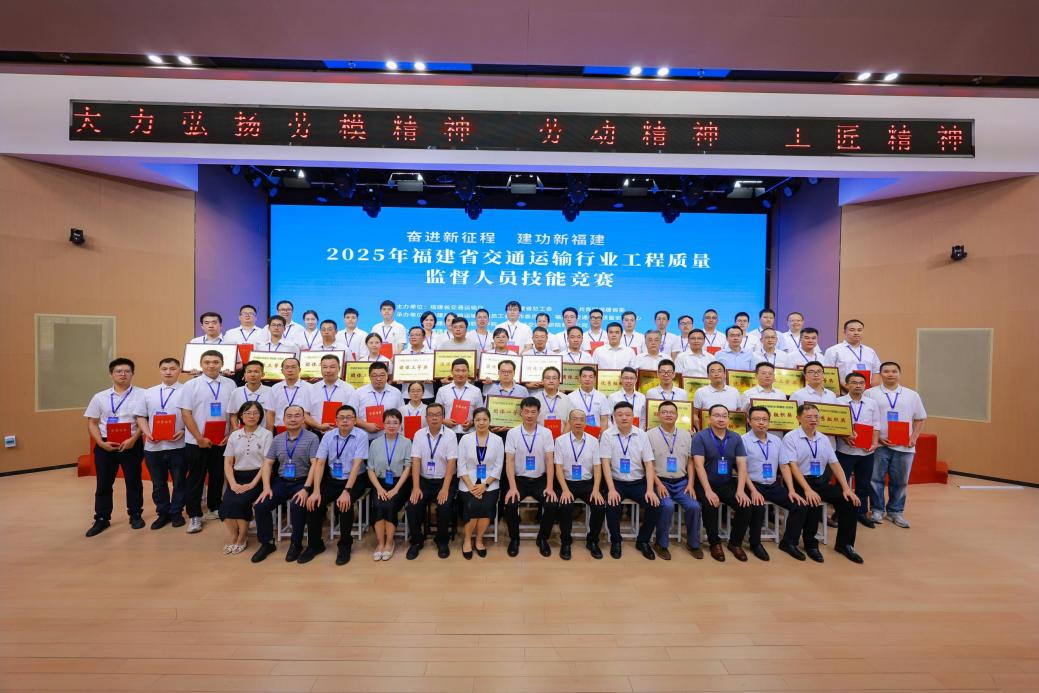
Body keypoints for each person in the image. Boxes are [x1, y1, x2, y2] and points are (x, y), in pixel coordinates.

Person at [782, 403, 864, 563]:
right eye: (808, 417)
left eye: (816, 416)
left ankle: (845, 544)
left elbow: (835, 464)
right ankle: (809, 544)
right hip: (800, 481)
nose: (813, 420)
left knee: (849, 501)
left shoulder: (823, 439)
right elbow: (793, 466)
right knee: (812, 501)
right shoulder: (790, 437)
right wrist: (807, 489)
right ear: (798, 418)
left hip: (819, 481)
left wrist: (847, 488)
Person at [83, 357, 146, 537]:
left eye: (127, 371)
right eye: (118, 371)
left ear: (133, 374)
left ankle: (135, 514)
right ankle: (102, 518)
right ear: (111, 374)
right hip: (105, 444)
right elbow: (92, 422)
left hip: (131, 443)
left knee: (133, 481)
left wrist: (134, 439)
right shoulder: (99, 397)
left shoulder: (143, 394)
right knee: (103, 483)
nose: (123, 374)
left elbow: (144, 420)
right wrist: (100, 443)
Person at [250, 405, 321, 563]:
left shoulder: (312, 438)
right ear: (283, 419)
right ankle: (267, 543)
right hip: (282, 482)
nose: (293, 419)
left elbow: (315, 464)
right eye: (289, 416)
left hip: (303, 482)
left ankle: (296, 544)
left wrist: (306, 488)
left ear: (303, 419)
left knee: (297, 505)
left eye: (297, 416)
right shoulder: (277, 439)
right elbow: (268, 463)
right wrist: (266, 488)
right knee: (260, 506)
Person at [302, 404, 371, 565]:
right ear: (336, 420)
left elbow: (356, 465)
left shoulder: (361, 435)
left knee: (345, 504)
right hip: (333, 479)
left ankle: (345, 545)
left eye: (349, 418)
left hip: (355, 479)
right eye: (341, 418)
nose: (345, 421)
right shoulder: (328, 436)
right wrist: (316, 490)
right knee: (314, 502)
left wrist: (347, 491)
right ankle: (315, 545)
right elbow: (320, 463)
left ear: (355, 420)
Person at [741, 406, 810, 561]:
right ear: (749, 421)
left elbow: (784, 466)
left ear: (769, 422)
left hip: (772, 485)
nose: (761, 423)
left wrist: (791, 490)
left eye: (764, 419)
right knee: (757, 506)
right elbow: (741, 469)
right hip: (751, 484)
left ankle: (789, 543)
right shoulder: (743, 440)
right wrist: (753, 491)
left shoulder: (777, 440)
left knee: (799, 505)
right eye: (757, 419)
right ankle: (755, 543)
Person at [864, 361, 927, 528]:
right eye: (886, 371)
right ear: (880, 374)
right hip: (879, 445)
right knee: (875, 479)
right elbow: (865, 418)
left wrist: (913, 437)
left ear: (899, 374)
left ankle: (896, 512)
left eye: (894, 371)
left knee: (900, 481)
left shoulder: (912, 395)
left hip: (905, 446)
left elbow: (920, 418)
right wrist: (876, 438)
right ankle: (877, 510)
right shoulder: (870, 393)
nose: (890, 374)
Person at [179, 350, 235, 533]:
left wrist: (231, 433)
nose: (211, 365)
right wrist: (199, 438)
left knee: (218, 476)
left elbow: (233, 412)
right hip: (197, 441)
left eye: (216, 362)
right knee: (196, 478)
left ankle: (214, 507)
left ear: (222, 364)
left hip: (222, 440)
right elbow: (186, 413)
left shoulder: (230, 383)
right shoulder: (191, 385)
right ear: (201, 364)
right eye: (207, 362)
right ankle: (194, 514)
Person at [691, 404, 752, 561]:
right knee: (710, 504)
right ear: (709, 418)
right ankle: (715, 543)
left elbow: (742, 465)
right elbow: (698, 466)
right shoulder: (700, 437)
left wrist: (740, 490)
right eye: (717, 415)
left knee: (745, 505)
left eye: (724, 416)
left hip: (726, 483)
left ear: (728, 419)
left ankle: (735, 543)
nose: (721, 419)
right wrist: (708, 491)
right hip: (705, 483)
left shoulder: (736, 438)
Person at [600, 401, 659, 560]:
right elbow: (605, 463)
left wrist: (650, 489)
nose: (624, 418)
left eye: (627, 415)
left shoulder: (642, 435)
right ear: (614, 417)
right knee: (612, 504)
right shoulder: (607, 435)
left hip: (638, 481)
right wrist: (611, 489)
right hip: (616, 481)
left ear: (633, 417)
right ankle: (616, 541)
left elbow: (648, 463)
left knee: (654, 504)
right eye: (620, 415)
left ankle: (643, 541)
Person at [134, 357, 187, 530]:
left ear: (179, 370)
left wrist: (183, 431)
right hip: (153, 447)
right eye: (164, 369)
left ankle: (176, 512)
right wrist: (147, 433)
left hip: (179, 445)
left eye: (172, 368)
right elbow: (140, 416)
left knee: (179, 482)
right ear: (159, 370)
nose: (168, 372)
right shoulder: (148, 392)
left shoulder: (187, 391)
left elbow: (193, 416)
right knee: (158, 484)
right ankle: (163, 513)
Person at [503, 397, 558, 557]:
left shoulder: (546, 433)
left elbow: (549, 460)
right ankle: (514, 539)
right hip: (519, 480)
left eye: (533, 412)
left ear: (538, 413)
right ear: (521, 412)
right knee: (510, 504)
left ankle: (543, 539)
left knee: (551, 503)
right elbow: (509, 461)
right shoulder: (513, 433)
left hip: (540, 480)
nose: (529, 415)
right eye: (526, 411)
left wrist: (549, 487)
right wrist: (512, 487)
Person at [648, 401, 703, 560]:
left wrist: (691, 483)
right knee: (667, 506)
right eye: (664, 412)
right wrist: (657, 484)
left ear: (677, 415)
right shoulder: (649, 435)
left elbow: (690, 462)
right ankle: (661, 544)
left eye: (671, 412)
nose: (668, 415)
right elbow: (648, 464)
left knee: (694, 506)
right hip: (660, 481)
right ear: (658, 415)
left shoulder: (686, 435)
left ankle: (693, 543)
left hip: (681, 482)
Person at [405, 403, 459, 559]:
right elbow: (416, 461)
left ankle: (442, 541)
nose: (434, 418)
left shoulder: (450, 435)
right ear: (426, 417)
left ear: (443, 417)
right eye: (431, 415)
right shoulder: (419, 434)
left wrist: (445, 488)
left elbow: (451, 463)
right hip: (424, 481)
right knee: (412, 506)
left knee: (444, 506)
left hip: (445, 480)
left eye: (438, 414)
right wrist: (416, 487)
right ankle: (417, 541)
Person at [218, 401, 272, 555]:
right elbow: (228, 463)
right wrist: (233, 483)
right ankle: (233, 536)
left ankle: (242, 537)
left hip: (258, 477)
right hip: (237, 477)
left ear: (260, 416)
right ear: (241, 416)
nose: (251, 416)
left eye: (255, 413)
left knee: (240, 502)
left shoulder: (266, 434)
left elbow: (266, 463)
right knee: (226, 503)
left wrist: (253, 484)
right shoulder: (235, 435)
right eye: (247, 413)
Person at [553, 410, 606, 559]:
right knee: (565, 506)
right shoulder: (560, 441)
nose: (578, 422)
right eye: (574, 419)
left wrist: (596, 490)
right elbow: (558, 468)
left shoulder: (593, 441)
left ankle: (592, 541)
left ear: (585, 422)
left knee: (599, 506)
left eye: (581, 419)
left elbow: (597, 467)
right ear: (569, 422)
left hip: (587, 483)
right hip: (567, 483)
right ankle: (566, 542)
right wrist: (564, 490)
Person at [456, 407, 504, 559]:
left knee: (486, 506)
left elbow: (498, 466)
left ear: (490, 421)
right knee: (472, 505)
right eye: (478, 420)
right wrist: (471, 487)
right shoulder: (465, 439)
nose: (481, 422)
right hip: (467, 483)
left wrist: (485, 485)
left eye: (484, 419)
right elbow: (461, 465)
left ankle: (479, 539)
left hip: (490, 483)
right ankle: (467, 540)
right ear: (473, 421)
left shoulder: (497, 440)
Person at [366, 410, 413, 560]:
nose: (391, 426)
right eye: (388, 422)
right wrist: (379, 488)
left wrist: (396, 489)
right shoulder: (375, 443)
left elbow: (408, 468)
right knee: (379, 505)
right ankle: (380, 543)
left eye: (395, 422)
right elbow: (370, 469)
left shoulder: (407, 442)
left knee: (390, 504)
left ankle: (389, 542)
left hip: (400, 483)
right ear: (383, 424)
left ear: (400, 425)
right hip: (379, 483)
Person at [836, 372, 881, 528]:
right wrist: (844, 437)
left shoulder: (872, 403)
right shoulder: (838, 402)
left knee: (864, 483)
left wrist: (875, 442)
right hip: (845, 450)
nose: (858, 385)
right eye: (854, 382)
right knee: (842, 483)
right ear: (847, 385)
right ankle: (841, 511)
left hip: (866, 451)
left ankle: (861, 512)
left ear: (865, 385)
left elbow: (876, 424)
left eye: (861, 383)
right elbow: (835, 425)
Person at [305, 354, 358, 435]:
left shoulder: (349, 389)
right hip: (316, 433)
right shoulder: (312, 389)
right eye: (325, 367)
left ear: (339, 368)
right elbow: (305, 414)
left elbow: (352, 414)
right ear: (320, 368)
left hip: (342, 433)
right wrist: (319, 426)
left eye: (332, 367)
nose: (328, 370)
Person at [356, 362, 405, 441]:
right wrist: (365, 425)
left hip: (390, 438)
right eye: (374, 375)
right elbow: (351, 416)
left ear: (387, 376)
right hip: (365, 439)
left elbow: (402, 415)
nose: (378, 379)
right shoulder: (359, 393)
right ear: (369, 377)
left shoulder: (396, 393)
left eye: (382, 375)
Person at [824, 319, 882, 386]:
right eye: (852, 330)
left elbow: (876, 371)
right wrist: (847, 388)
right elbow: (829, 373)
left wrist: (871, 389)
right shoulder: (833, 350)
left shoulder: (870, 351)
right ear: (844, 332)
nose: (856, 333)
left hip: (867, 391)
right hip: (843, 391)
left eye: (859, 330)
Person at [435, 358, 484, 435]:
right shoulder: (442, 390)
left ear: (468, 372)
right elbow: (436, 413)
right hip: (448, 433)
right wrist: (444, 421)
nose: (460, 374)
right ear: (451, 372)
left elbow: (480, 414)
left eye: (464, 371)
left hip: (469, 433)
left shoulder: (476, 391)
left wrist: (471, 423)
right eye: (457, 371)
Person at [269, 357, 313, 433]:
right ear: (282, 371)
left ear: (299, 370)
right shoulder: (275, 388)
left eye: (293, 367)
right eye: (287, 367)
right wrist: (269, 434)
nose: (290, 370)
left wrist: (304, 433)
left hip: (302, 430)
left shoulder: (309, 387)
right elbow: (271, 413)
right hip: (279, 430)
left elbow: (310, 413)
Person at [228, 360, 274, 430]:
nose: (252, 375)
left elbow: (272, 415)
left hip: (263, 433)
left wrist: (268, 432)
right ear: (245, 374)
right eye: (249, 372)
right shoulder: (236, 392)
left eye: (256, 372)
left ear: (263, 374)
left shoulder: (271, 392)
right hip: (241, 432)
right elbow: (233, 414)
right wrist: (236, 429)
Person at [692, 361, 740, 428]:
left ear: (725, 374)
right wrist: (700, 431)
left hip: (730, 431)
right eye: (712, 371)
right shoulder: (700, 392)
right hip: (708, 431)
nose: (716, 374)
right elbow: (695, 415)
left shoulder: (734, 391)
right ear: (708, 376)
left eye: (719, 371)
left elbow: (738, 414)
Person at [567, 366, 608, 431]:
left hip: (596, 435)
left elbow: (604, 421)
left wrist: (603, 436)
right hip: (577, 434)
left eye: (590, 377)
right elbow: (569, 421)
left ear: (595, 379)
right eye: (584, 376)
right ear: (579, 378)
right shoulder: (570, 397)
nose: (587, 379)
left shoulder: (602, 397)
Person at [533, 367, 573, 433]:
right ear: (542, 381)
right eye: (547, 378)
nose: (551, 381)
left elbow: (570, 420)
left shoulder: (566, 399)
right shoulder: (535, 399)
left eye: (554, 378)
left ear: (559, 381)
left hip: (562, 437)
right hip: (540, 437)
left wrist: (563, 437)